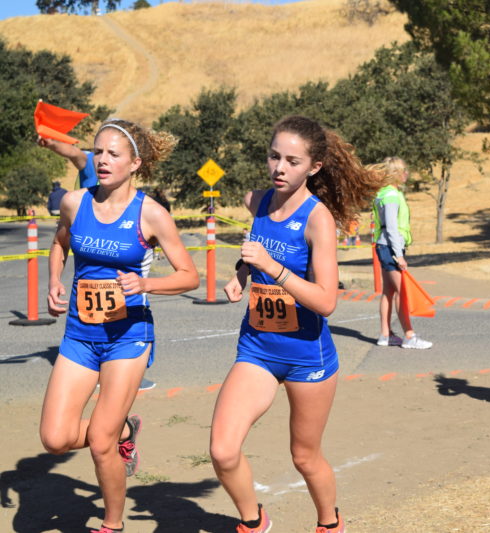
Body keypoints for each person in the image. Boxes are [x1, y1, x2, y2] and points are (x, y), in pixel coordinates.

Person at [212, 115, 382, 533]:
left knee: (305, 456)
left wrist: (274, 269)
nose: (280, 168)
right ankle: (254, 523)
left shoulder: (316, 218)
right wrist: (241, 273)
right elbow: (255, 248)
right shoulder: (257, 201)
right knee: (222, 451)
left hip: (308, 357)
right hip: (257, 350)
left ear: (314, 167)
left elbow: (327, 301)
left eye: (292, 160)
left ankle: (330, 524)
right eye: (274, 157)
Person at [41, 118, 200, 533]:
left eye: (114, 154)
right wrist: (55, 281)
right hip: (79, 334)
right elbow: (59, 244)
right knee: (55, 439)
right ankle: (126, 427)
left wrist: (146, 282)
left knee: (98, 442)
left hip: (128, 337)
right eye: (98, 152)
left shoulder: (151, 214)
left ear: (135, 164)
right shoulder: (75, 203)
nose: (103, 160)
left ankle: (112, 523)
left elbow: (189, 275)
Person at [371, 157, 432, 349]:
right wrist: (399, 255)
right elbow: (391, 227)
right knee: (402, 293)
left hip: (385, 247)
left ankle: (385, 335)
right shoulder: (390, 195)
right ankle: (409, 335)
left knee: (388, 292)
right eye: (404, 170)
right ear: (395, 173)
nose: (407, 174)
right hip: (390, 248)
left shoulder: (384, 193)